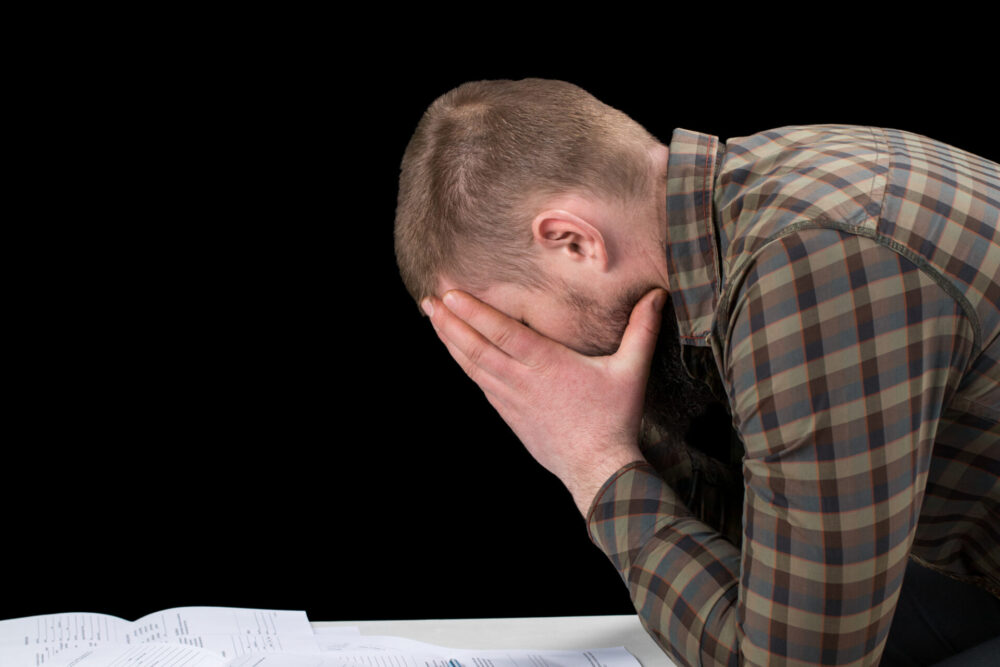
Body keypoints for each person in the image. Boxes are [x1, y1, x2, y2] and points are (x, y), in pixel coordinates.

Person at [393, 78, 1000, 666]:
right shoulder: (762, 196)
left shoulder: (808, 265)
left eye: (519, 323)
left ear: (573, 241)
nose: (531, 358)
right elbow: (771, 557)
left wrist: (593, 462)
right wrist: (615, 430)